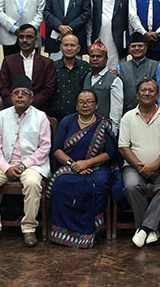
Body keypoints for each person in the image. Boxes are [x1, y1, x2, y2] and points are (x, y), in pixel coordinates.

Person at [0, 75, 51, 248]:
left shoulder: (41, 117)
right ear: (11, 97)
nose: (20, 96)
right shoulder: (2, 116)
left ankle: (29, 228)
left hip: (32, 164)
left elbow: (44, 148)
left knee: (32, 184)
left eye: (24, 93)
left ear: (31, 98)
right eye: (16, 93)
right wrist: (6, 167)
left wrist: (23, 165)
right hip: (4, 162)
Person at [49, 89, 117, 248]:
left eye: (89, 102)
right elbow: (57, 149)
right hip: (70, 166)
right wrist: (74, 164)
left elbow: (109, 153)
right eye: (81, 102)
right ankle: (64, 233)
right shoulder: (67, 121)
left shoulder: (104, 124)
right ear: (76, 105)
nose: (85, 105)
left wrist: (87, 164)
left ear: (96, 105)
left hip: (97, 168)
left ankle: (92, 232)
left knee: (98, 184)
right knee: (60, 184)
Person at [118, 78, 160, 248]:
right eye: (143, 90)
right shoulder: (128, 117)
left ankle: (143, 229)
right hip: (133, 167)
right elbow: (123, 147)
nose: (147, 93)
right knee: (131, 186)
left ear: (157, 95)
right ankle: (151, 229)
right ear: (137, 95)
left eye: (151, 90)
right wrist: (140, 167)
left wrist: (155, 165)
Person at [0, 24, 55, 110]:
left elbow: (48, 89)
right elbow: (3, 86)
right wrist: (16, 105)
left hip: (39, 110)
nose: (24, 40)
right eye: (21, 37)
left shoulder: (47, 63)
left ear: (36, 40)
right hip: (13, 110)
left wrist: (29, 105)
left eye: (29, 37)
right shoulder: (8, 61)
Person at [89, 0, 130, 70]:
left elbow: (129, 21)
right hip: (100, 38)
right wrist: (89, 42)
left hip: (119, 40)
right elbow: (90, 21)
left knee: (117, 69)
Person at [84, 39, 123, 135]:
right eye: (92, 56)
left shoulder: (114, 80)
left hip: (104, 130)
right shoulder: (86, 76)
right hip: (85, 128)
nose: (95, 59)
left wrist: (113, 132)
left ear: (106, 59)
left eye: (99, 56)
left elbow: (116, 112)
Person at [118, 33, 160, 113]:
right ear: (129, 49)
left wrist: (159, 111)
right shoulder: (121, 68)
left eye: (140, 46)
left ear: (146, 47)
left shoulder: (156, 66)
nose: (137, 48)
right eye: (133, 46)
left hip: (151, 112)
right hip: (127, 112)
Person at [49, 33, 91, 121]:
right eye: (66, 45)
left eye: (72, 45)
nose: (69, 48)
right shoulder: (52, 67)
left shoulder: (85, 67)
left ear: (78, 48)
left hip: (81, 118)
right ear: (60, 48)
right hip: (56, 118)